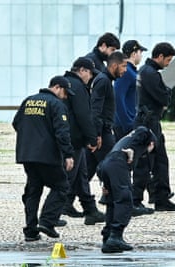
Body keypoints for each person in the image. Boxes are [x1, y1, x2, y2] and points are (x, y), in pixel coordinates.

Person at [12, 75, 75, 241]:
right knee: (61, 187)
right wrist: (68, 154)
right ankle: (47, 221)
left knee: (33, 191)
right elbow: (62, 132)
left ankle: (31, 230)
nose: (66, 96)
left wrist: (30, 139)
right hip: (47, 156)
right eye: (65, 92)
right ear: (57, 87)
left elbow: (16, 123)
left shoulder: (28, 101)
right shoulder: (56, 104)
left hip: (27, 155)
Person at [133, 42, 175, 212]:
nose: (168, 64)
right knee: (146, 162)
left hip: (151, 122)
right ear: (160, 56)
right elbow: (164, 97)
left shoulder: (148, 72)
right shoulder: (149, 73)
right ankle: (136, 199)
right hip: (148, 123)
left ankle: (161, 197)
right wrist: (166, 95)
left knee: (160, 160)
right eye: (168, 60)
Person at [97, 126, 157, 253]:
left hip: (105, 165)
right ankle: (115, 236)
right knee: (125, 200)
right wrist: (132, 150)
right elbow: (142, 135)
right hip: (117, 163)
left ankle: (108, 236)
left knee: (112, 202)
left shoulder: (126, 138)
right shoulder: (144, 135)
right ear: (151, 143)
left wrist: (104, 182)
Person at [62, 57, 105, 225]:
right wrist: (92, 138)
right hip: (74, 138)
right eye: (90, 74)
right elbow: (83, 115)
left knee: (81, 175)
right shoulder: (78, 86)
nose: (91, 78)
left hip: (67, 136)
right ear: (82, 71)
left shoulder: (64, 82)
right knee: (69, 177)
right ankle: (51, 215)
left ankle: (90, 209)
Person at [86, 51, 127, 182]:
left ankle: (65, 200)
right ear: (114, 65)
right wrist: (97, 135)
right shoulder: (103, 81)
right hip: (102, 133)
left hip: (102, 131)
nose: (125, 70)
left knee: (86, 171)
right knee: (114, 167)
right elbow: (96, 110)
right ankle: (116, 201)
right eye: (123, 66)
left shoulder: (105, 80)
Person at [113, 40, 147, 140]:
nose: (141, 55)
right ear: (134, 53)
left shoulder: (131, 71)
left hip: (131, 121)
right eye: (140, 52)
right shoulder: (126, 71)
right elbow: (118, 97)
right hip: (125, 125)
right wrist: (127, 123)